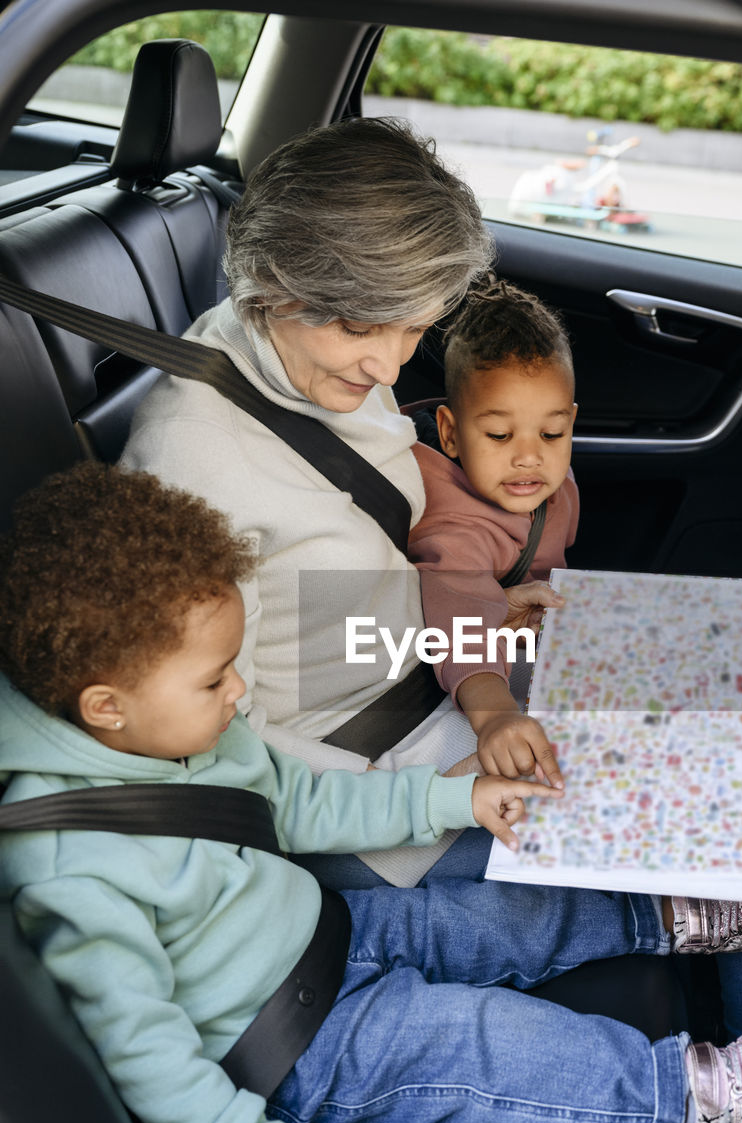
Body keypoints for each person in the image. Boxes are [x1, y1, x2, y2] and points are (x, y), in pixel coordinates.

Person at [0, 464, 742, 1123]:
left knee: (499, 913)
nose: (238, 693)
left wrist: (454, 801)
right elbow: (139, 1044)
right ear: (106, 707)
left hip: (326, 934)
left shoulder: (182, 735)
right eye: (216, 679)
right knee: (478, 1043)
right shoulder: (71, 868)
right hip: (305, 1053)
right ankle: (721, 1106)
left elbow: (299, 805)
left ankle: (684, 918)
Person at [122, 115, 557, 893]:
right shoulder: (188, 464)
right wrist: (434, 794)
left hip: (431, 677)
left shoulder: (314, 362)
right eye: (362, 327)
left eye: (415, 329)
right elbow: (216, 735)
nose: (389, 363)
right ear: (274, 285)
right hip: (364, 780)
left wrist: (479, 611)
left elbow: (362, 558)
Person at [408, 279, 580, 779]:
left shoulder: (555, 485)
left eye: (551, 433)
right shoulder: (452, 525)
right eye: (500, 435)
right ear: (450, 433)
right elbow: (463, 628)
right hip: (470, 674)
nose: (529, 456)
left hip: (525, 639)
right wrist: (496, 716)